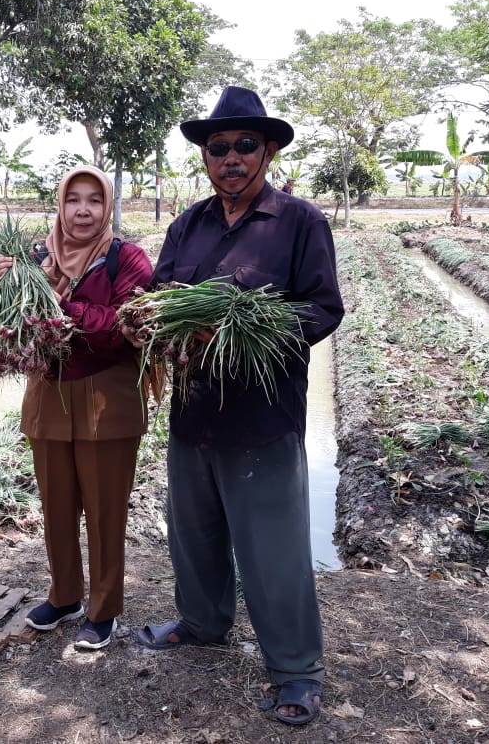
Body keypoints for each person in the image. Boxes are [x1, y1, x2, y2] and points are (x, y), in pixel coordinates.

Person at [130, 86, 345, 725]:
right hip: (193, 410)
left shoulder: (299, 222)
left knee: (272, 547)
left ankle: (296, 671)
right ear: (204, 157)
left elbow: (323, 307)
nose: (230, 157)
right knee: (193, 533)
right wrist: (163, 322)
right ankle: (202, 623)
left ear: (268, 150)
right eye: (217, 147)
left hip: (263, 416)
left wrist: (244, 329)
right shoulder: (186, 225)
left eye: (244, 146)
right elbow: (162, 293)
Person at [0, 165, 153, 650]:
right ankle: (64, 595)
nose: (83, 210)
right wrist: (10, 287)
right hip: (49, 395)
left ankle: (103, 609)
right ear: (59, 206)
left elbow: (124, 325)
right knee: (57, 505)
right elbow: (13, 323)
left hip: (108, 396)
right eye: (72, 200)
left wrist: (59, 303)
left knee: (105, 511)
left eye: (94, 200)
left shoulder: (129, 259)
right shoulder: (38, 257)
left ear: (108, 208)